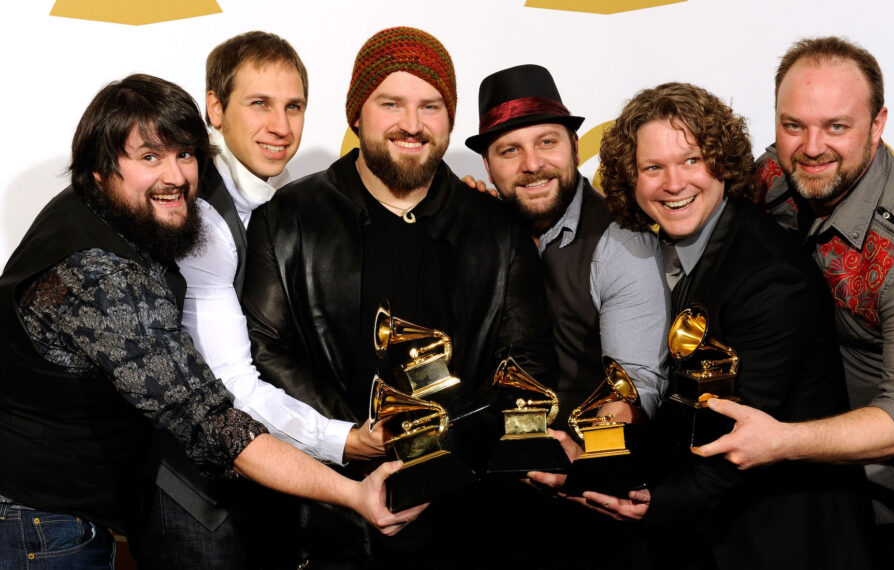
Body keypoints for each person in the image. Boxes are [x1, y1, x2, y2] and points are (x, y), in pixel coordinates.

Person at [0, 73, 422, 568]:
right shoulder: (102, 277)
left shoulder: (102, 206)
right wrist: (351, 492)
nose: (176, 176)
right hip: (39, 523)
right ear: (100, 170)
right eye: (149, 157)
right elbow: (213, 423)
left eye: (185, 154)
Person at [694, 36, 894, 569]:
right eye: (793, 124)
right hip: (829, 465)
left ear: (878, 124)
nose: (811, 146)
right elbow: (691, 200)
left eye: (837, 126)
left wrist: (780, 442)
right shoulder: (777, 170)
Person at [240, 27, 555, 566]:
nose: (412, 124)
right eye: (392, 103)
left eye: (430, 106)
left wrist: (458, 441)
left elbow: (526, 358)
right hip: (332, 519)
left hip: (475, 520)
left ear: (450, 121)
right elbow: (266, 352)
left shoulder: (497, 228)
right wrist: (358, 436)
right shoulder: (287, 218)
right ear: (356, 114)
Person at [533, 81, 872, 569]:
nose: (674, 184)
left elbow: (739, 439)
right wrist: (598, 454)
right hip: (707, 534)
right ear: (632, 179)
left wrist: (644, 497)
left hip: (783, 541)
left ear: (722, 164)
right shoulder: (668, 250)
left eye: (691, 161)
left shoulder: (770, 278)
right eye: (653, 168)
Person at [135, 32, 387, 569]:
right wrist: (342, 439)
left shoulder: (283, 200)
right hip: (195, 500)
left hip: (270, 483)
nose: (281, 126)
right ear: (215, 109)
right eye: (260, 104)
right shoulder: (199, 215)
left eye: (293, 106)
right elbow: (233, 386)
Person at [464, 63, 667, 423]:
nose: (532, 164)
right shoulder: (483, 229)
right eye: (509, 150)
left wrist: (585, 450)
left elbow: (636, 391)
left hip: (589, 464)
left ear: (574, 147)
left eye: (546, 142)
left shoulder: (620, 244)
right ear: (487, 166)